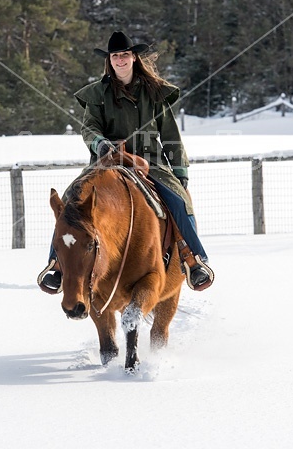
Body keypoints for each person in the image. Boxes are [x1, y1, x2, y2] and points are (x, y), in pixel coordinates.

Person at [37, 31, 214, 293]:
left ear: (133, 57)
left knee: (178, 199)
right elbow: (89, 128)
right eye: (115, 56)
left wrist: (179, 169)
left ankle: (194, 259)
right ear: (109, 61)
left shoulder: (154, 92)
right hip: (107, 161)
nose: (120, 60)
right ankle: (56, 266)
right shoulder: (97, 94)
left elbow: (170, 134)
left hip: (150, 162)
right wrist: (100, 144)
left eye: (125, 55)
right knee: (69, 200)